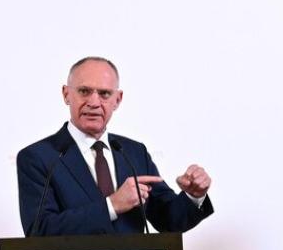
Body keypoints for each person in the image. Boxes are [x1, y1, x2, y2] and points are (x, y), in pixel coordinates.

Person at [17, 56, 212, 236]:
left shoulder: (134, 153)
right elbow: (40, 230)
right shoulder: (38, 157)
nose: (94, 102)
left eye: (104, 94)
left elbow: (169, 221)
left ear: (117, 100)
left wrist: (194, 196)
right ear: (66, 94)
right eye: (84, 91)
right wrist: (112, 205)